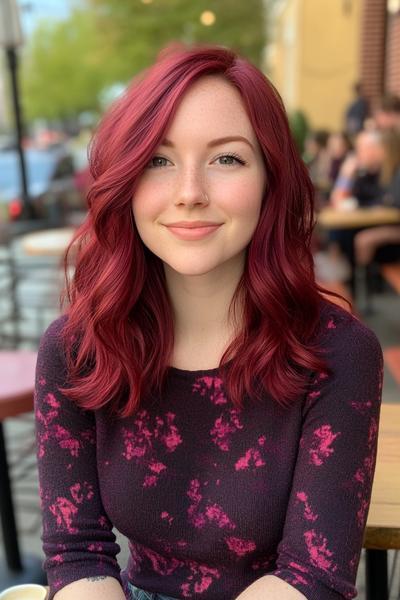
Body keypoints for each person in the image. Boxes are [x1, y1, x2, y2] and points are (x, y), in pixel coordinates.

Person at [34, 45, 383, 600]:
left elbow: (312, 578)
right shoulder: (78, 348)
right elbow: (78, 554)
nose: (190, 193)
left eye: (227, 159)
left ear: (273, 180)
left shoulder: (338, 353)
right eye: (158, 159)